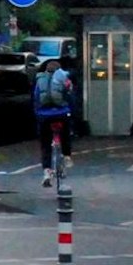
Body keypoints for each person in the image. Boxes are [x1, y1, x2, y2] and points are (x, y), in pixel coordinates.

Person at [33, 57, 78, 186]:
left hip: (44, 116)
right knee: (66, 134)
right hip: (62, 114)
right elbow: (71, 97)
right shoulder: (64, 79)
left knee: (45, 144)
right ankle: (67, 156)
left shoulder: (40, 80)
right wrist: (72, 114)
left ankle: (47, 171)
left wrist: (38, 114)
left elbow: (35, 99)